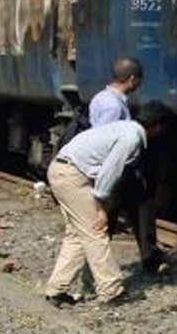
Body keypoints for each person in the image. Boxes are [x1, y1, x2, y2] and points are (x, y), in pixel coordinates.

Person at [41, 118, 147, 306]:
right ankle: (111, 291)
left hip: (61, 169)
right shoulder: (131, 138)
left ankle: (56, 290)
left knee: (76, 235)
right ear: (157, 126)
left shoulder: (121, 127)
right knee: (95, 231)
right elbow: (109, 172)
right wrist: (100, 207)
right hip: (72, 175)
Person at [88, 57, 142, 127]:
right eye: (139, 79)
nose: (140, 84)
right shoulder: (114, 106)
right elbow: (104, 134)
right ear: (132, 80)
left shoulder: (99, 96)